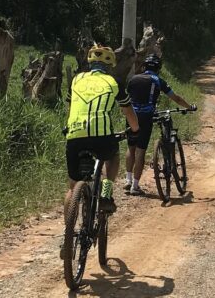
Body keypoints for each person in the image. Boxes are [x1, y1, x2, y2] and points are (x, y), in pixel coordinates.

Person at [65, 45, 139, 213]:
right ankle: (106, 194)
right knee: (112, 157)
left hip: (74, 134)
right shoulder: (114, 82)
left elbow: (69, 109)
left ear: (89, 63)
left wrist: (69, 126)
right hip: (101, 136)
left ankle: (68, 233)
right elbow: (128, 110)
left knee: (72, 187)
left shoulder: (76, 80)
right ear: (110, 64)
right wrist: (135, 129)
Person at [123, 54, 196, 196]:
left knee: (130, 147)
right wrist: (189, 107)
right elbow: (176, 98)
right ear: (158, 68)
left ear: (144, 66)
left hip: (131, 115)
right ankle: (135, 186)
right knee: (141, 151)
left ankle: (127, 179)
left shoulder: (133, 79)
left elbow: (127, 99)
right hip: (146, 117)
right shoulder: (157, 80)